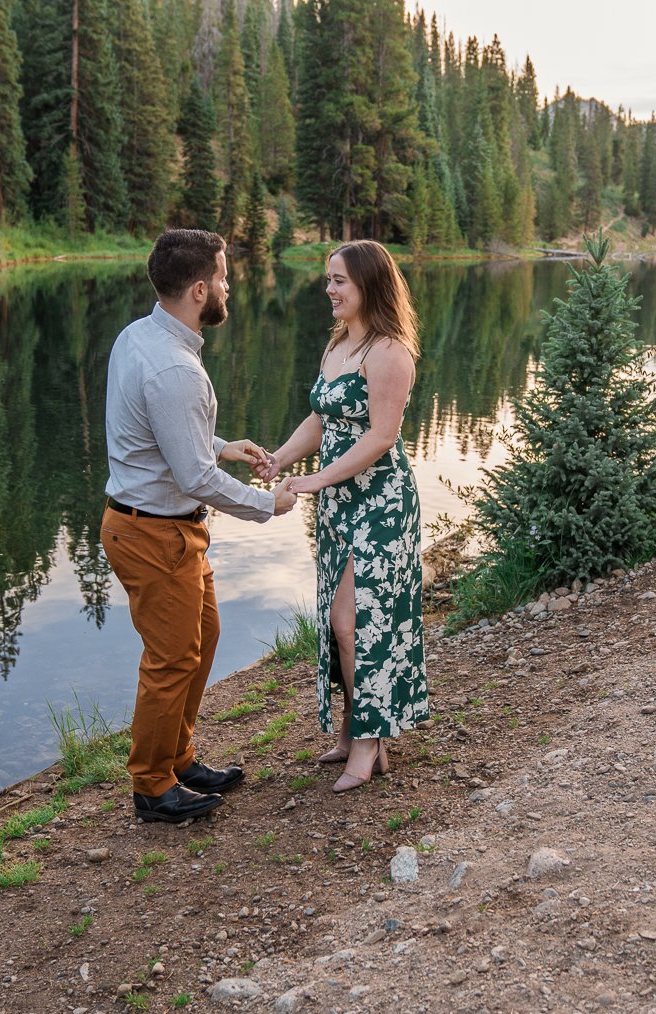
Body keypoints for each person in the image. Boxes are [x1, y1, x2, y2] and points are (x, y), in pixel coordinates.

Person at [102, 228, 296, 824]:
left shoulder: (142, 336)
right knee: (170, 660)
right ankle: (152, 785)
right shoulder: (174, 369)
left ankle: (178, 756)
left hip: (164, 531)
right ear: (198, 289)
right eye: (223, 276)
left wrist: (222, 444)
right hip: (153, 534)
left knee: (201, 640)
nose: (229, 286)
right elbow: (194, 479)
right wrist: (268, 504)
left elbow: (166, 435)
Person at [259, 240, 429, 792]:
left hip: (380, 503)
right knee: (339, 621)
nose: (328, 290)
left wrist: (318, 478)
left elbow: (381, 437)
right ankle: (355, 729)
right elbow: (321, 416)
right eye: (328, 279)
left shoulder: (390, 352)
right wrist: (283, 457)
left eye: (339, 281)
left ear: (368, 286)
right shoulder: (339, 345)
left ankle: (369, 740)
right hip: (338, 503)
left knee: (357, 622)